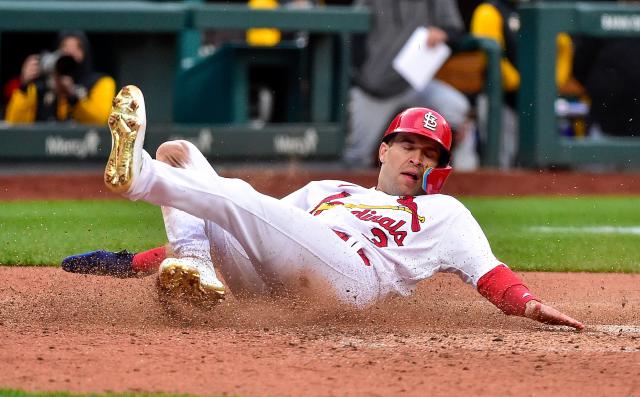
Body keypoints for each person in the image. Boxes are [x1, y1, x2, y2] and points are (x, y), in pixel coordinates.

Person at [64, 84, 584, 330]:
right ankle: (193, 264)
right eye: (407, 146)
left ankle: (140, 182)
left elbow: (489, 273)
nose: (415, 157)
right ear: (384, 149)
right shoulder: (327, 190)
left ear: (438, 169)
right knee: (180, 154)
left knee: (239, 196)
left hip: (350, 277)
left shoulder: (444, 213)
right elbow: (259, 228)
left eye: (429, 154)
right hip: (274, 270)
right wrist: (131, 262)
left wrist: (531, 304)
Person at [343, 0, 473, 169]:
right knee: (356, 156)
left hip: (416, 83)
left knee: (456, 107)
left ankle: (461, 180)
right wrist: (361, 76)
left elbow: (455, 31)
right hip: (374, 90)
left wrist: (443, 33)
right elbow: (350, 32)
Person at [4, 30, 115, 124]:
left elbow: (101, 121)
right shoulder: (39, 86)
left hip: (83, 147)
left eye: (78, 47)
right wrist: (24, 88)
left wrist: (73, 97)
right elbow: (13, 123)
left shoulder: (101, 82)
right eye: (64, 46)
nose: (70, 52)